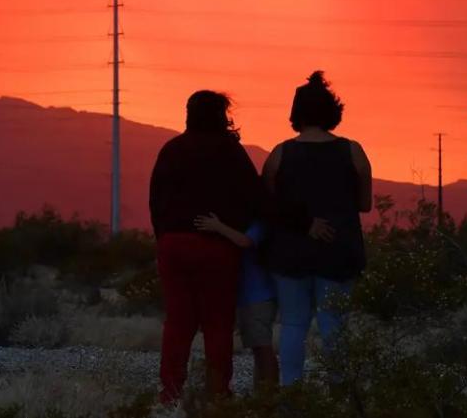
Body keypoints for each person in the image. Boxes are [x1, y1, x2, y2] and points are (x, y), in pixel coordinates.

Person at [149, 90, 265, 404]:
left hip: (174, 244)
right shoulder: (230, 151)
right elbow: (254, 199)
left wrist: (165, 238)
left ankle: (170, 394)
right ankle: (218, 394)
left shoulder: (171, 150)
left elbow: (156, 201)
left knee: (178, 322)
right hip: (218, 246)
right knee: (217, 324)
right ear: (221, 115)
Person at [263, 71, 372, 386]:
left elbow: (267, 203)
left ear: (296, 113)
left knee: (294, 324)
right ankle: (340, 393)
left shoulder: (280, 154)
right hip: (339, 251)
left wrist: (303, 223)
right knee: (333, 324)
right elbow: (364, 204)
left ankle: (291, 392)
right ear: (332, 111)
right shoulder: (353, 152)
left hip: (290, 252)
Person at [194, 212, 280, 392]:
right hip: (249, 295)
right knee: (258, 348)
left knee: (262, 347)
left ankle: (270, 395)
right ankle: (264, 394)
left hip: (258, 294)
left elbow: (245, 241)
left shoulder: (259, 222)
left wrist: (217, 226)